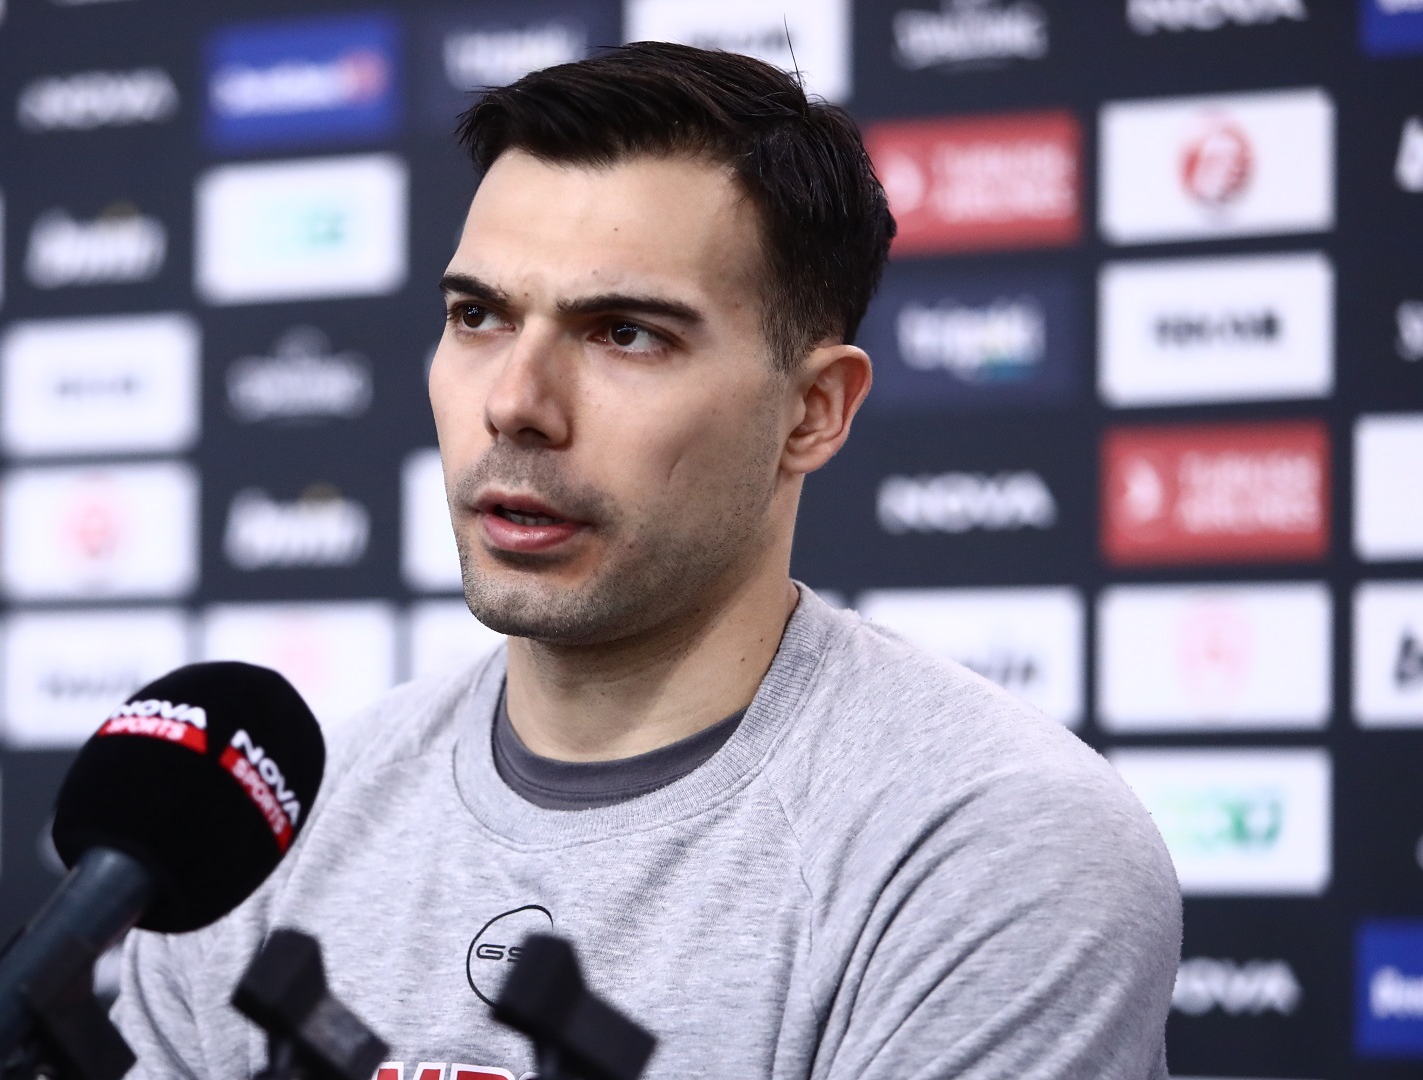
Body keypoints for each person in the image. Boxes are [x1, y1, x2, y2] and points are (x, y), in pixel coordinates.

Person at [116, 42, 1180, 1079]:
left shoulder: (994, 843)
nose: (515, 404)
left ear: (813, 411)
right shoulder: (257, 832)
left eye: (624, 333)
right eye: (479, 316)